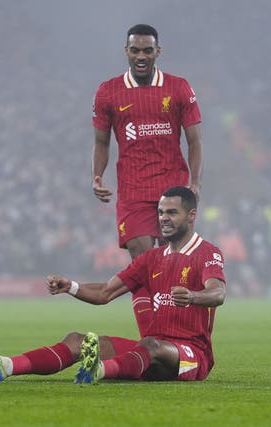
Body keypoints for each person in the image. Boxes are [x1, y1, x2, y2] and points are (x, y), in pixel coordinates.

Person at [0, 186, 225, 384]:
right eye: (160, 212)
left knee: (150, 346)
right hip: (153, 348)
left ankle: (96, 370)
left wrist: (192, 296)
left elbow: (218, 292)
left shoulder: (207, 252)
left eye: (172, 212)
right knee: (78, 340)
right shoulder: (151, 259)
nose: (164, 218)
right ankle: (2, 366)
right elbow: (105, 292)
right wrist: (71, 286)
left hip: (192, 355)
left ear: (191, 215)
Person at [91, 24, 204, 336]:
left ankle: (177, 335)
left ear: (158, 52)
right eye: (135, 50)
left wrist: (195, 183)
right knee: (143, 263)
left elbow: (195, 141)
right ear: (126, 51)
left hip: (173, 187)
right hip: (133, 191)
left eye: (147, 50)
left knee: (173, 267)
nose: (141, 56)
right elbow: (102, 143)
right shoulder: (108, 91)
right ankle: (152, 339)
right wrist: (97, 176)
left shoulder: (179, 88)